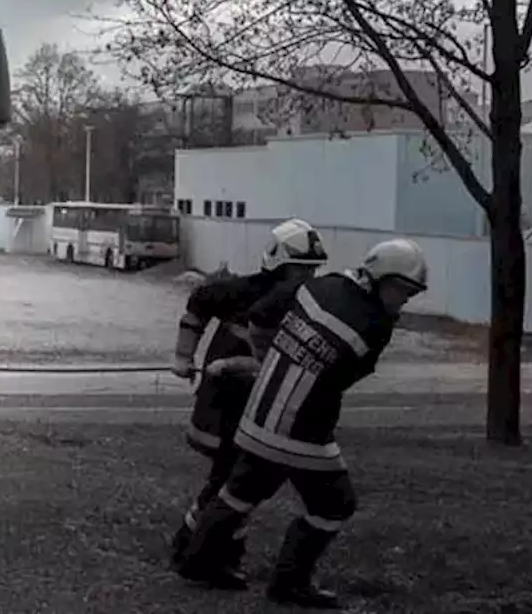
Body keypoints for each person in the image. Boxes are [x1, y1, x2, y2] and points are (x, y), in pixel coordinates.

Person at [176, 238, 429, 609]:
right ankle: (289, 582)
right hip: (302, 429)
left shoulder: (316, 285)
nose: (404, 299)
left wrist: (267, 360)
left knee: (241, 490)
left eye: (410, 294)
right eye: (401, 290)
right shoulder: (375, 324)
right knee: (336, 503)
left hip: (259, 412)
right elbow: (343, 377)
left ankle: (195, 560)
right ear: (379, 277)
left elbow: (260, 318)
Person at [168, 218, 329, 582]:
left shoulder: (306, 305)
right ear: (279, 263)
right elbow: (198, 301)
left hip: (259, 408)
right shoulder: (242, 291)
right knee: (231, 483)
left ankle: (200, 548)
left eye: (311, 269)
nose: (305, 277)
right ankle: (208, 554)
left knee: (233, 483)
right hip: (224, 407)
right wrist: (183, 355)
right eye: (299, 269)